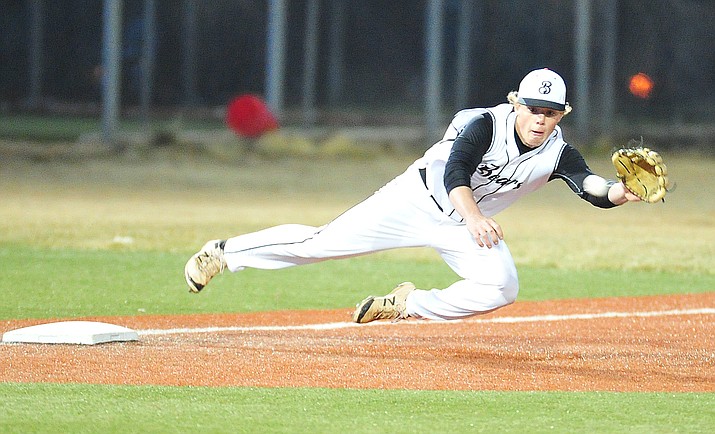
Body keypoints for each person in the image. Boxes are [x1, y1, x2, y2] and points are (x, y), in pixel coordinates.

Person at [184, 68, 641, 323]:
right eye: (532, 108)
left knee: (503, 287)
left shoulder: (558, 151)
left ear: (563, 114)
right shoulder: (484, 122)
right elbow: (455, 172)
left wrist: (623, 192)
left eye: (550, 112)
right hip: (414, 201)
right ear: (515, 103)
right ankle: (225, 253)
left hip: (465, 224)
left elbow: (590, 187)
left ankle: (408, 304)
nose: (540, 119)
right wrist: (476, 217)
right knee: (318, 245)